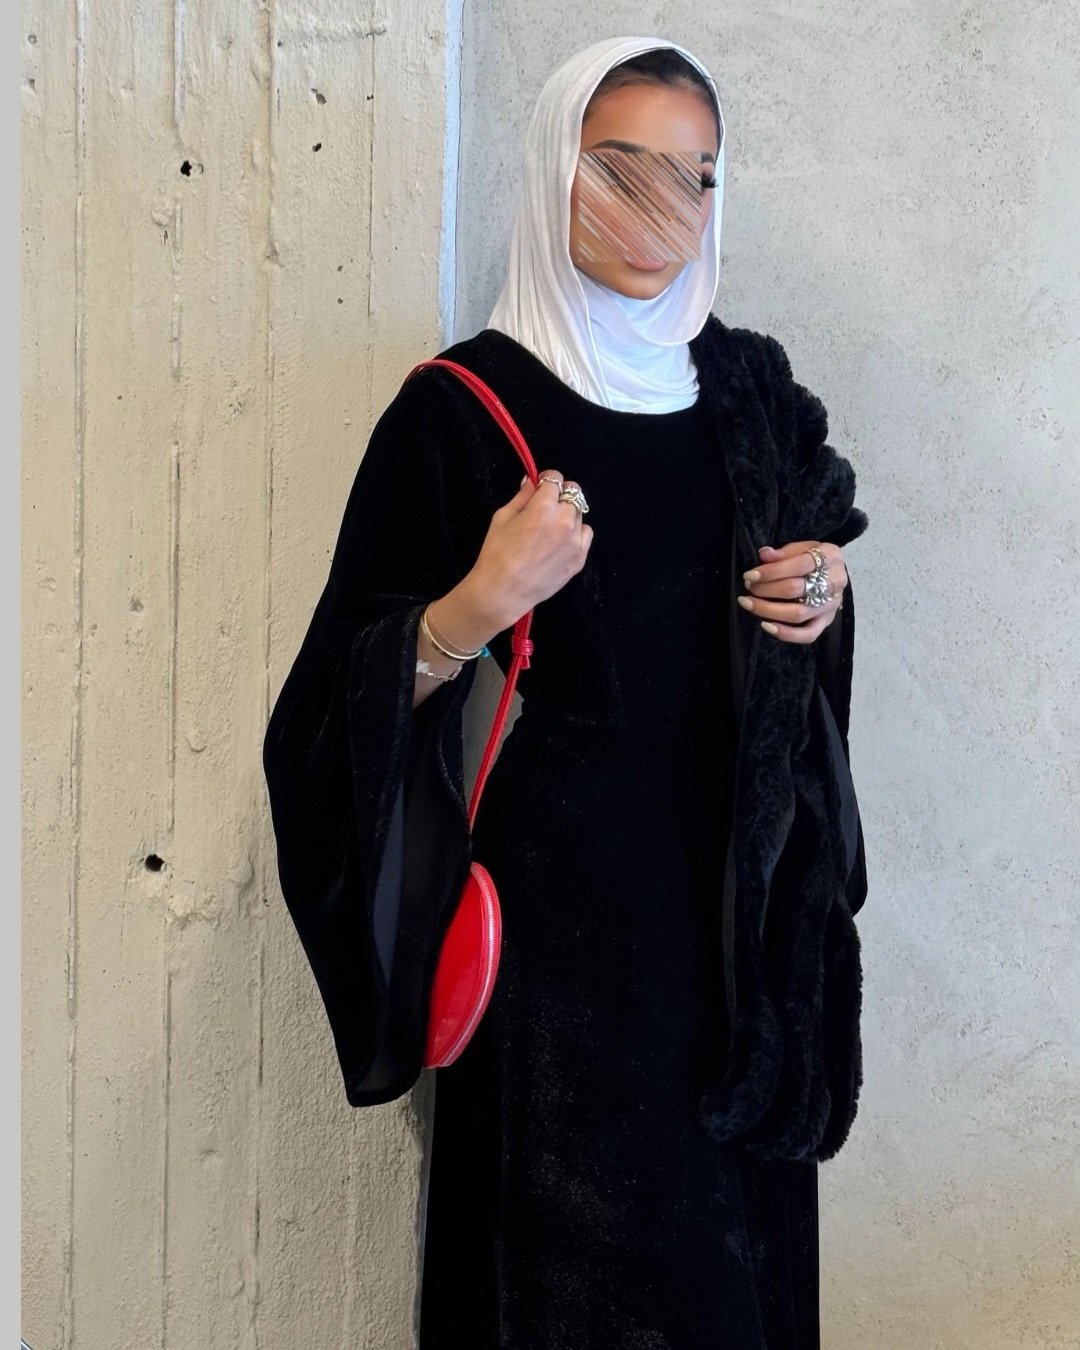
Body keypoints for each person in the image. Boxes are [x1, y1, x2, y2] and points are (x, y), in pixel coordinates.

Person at [262, 33, 869, 1349]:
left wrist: (821, 597)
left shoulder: (749, 392)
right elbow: (323, 713)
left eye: (695, 177)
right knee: (572, 1277)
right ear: (552, 170)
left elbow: (806, 599)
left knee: (737, 1278)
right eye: (622, 168)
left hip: (742, 916)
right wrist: (476, 605)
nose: (664, 211)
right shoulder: (463, 407)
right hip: (567, 936)